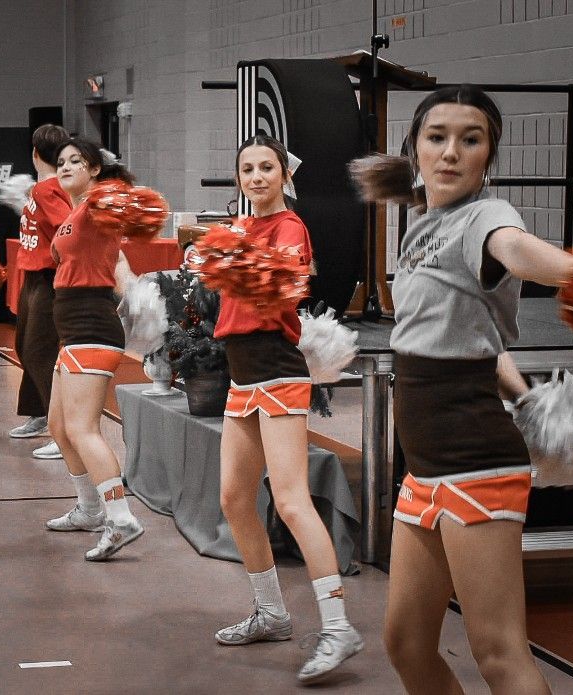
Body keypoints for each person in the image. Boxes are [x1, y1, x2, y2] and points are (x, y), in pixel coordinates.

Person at [354, 84, 573, 694]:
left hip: (475, 460)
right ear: (415, 149)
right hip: (423, 465)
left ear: (488, 156)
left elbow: (519, 252)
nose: (451, 151)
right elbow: (482, 342)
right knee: (405, 643)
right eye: (437, 137)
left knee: (498, 653)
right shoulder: (422, 226)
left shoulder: (488, 217)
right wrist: (527, 397)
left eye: (470, 139)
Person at [212, 134, 363, 684]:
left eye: (266, 168)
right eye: (247, 169)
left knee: (293, 501)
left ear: (284, 174)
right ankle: (272, 613)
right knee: (234, 498)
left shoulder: (290, 228)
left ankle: (338, 626)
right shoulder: (239, 228)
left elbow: (280, 291)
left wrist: (228, 258)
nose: (256, 177)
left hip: (276, 369)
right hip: (241, 374)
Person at [45, 138, 144, 560]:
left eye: (76, 161)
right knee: (59, 426)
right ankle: (89, 509)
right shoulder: (75, 212)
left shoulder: (98, 205)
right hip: (70, 329)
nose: (66, 166)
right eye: (61, 162)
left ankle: (120, 518)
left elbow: (122, 211)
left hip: (92, 325)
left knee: (83, 429)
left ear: (95, 169)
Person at [7, 124, 72, 457]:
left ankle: (63, 432)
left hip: (47, 278)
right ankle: (40, 413)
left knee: (39, 351)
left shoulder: (48, 190)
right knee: (24, 346)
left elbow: (69, 228)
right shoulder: (43, 189)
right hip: (32, 278)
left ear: (34, 153)